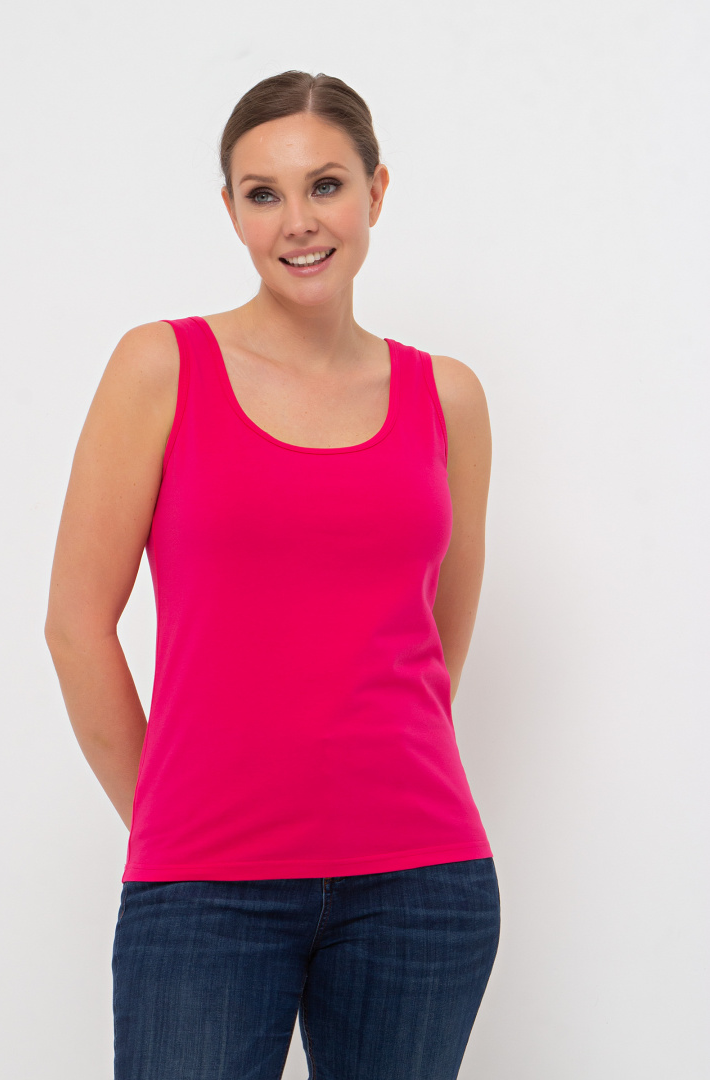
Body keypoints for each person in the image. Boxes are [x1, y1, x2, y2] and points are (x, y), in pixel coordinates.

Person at [45, 69, 500, 1080]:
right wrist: (167, 819)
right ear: (232, 211)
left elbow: (437, 641)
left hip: (422, 883)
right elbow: (76, 623)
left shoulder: (449, 398)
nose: (298, 221)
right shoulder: (160, 367)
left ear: (377, 190)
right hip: (205, 885)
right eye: (264, 193)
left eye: (326, 185)